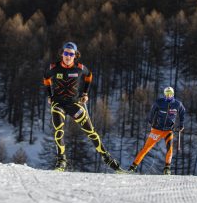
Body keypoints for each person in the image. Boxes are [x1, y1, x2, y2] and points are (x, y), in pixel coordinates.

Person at [43, 41, 121, 172]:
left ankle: (107, 158)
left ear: (75, 55)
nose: (68, 56)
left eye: (71, 54)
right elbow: (46, 78)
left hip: (74, 104)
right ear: (62, 54)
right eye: (66, 53)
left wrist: (85, 93)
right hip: (58, 104)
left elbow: (89, 76)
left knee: (91, 132)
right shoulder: (53, 68)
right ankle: (61, 161)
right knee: (59, 130)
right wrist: (49, 95)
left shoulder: (80, 68)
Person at [129, 86, 185, 175]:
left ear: (173, 94)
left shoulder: (178, 104)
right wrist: (151, 122)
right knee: (146, 148)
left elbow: (182, 112)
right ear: (164, 95)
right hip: (157, 130)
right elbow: (152, 112)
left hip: (168, 131)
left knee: (170, 149)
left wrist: (181, 124)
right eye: (167, 94)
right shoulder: (159, 102)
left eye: (170, 94)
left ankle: (167, 168)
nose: (168, 96)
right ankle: (133, 167)